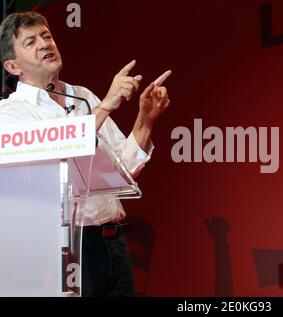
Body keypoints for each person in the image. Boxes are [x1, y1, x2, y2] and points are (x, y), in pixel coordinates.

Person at [0, 11, 171, 296]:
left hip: (112, 243)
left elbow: (124, 168)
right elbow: (61, 147)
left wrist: (145, 119)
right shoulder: (10, 113)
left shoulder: (83, 96)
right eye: (31, 41)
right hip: (60, 249)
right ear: (13, 66)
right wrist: (105, 106)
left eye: (47, 36)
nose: (45, 44)